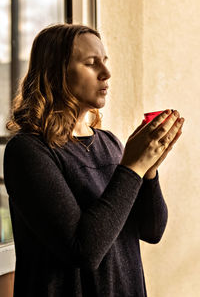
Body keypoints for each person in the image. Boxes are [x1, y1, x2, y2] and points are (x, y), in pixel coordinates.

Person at [3, 23, 184, 297]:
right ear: (56, 73)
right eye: (91, 63)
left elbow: (152, 230)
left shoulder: (110, 144)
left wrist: (149, 170)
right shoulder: (27, 151)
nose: (106, 73)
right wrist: (133, 166)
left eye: (105, 61)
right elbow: (82, 250)